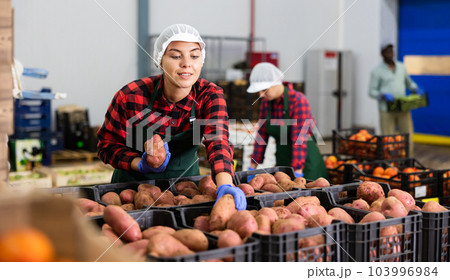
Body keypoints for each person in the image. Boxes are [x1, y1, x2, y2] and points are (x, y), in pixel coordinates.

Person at [97, 24, 246, 210]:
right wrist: (140, 164)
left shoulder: (209, 96)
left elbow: (218, 142)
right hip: (130, 194)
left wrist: (225, 184)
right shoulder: (130, 95)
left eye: (194, 56)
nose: (186, 63)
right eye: (175, 56)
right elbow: (107, 145)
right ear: (160, 60)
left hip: (185, 191)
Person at [246, 62, 328, 180]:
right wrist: (253, 166)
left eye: (264, 90)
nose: (260, 94)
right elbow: (262, 134)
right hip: (283, 160)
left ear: (275, 83)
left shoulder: (298, 101)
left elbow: (299, 138)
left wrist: (298, 172)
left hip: (305, 163)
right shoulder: (266, 103)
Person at [369, 42, 423, 157]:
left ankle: (408, 160)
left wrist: (415, 88)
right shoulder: (377, 71)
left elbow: (409, 82)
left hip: (402, 106)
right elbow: (371, 91)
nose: (390, 54)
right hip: (386, 109)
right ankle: (389, 162)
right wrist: (382, 95)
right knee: (387, 138)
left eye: (391, 51)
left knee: (407, 135)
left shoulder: (401, 67)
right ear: (382, 54)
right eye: (387, 51)